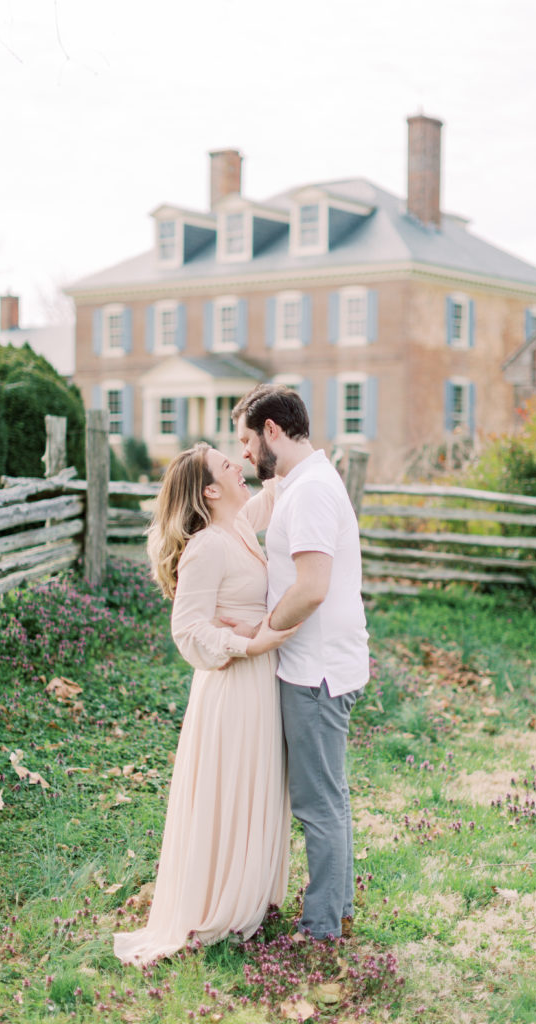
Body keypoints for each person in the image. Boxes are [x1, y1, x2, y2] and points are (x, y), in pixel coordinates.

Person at [114, 443, 295, 966]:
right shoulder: (206, 545)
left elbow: (270, 497)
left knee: (254, 782)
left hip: (258, 682)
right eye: (225, 465)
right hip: (232, 686)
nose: (236, 466)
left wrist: (281, 456)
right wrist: (247, 642)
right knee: (231, 786)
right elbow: (188, 632)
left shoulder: (236, 526)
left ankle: (249, 896)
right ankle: (220, 902)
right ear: (210, 491)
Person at [231, 384, 370, 941]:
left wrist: (261, 633)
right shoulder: (301, 480)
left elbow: (311, 588)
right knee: (328, 796)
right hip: (321, 663)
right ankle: (338, 911)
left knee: (317, 804)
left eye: (245, 439)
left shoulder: (311, 490)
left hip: (315, 670)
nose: (243, 453)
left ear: (272, 431)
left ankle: (320, 930)